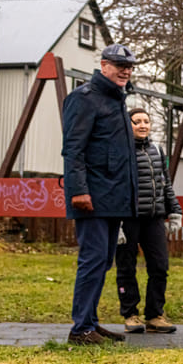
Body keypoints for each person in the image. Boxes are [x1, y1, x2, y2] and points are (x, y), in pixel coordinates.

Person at [61, 44, 139, 345]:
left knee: (104, 260)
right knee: (92, 260)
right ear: (104, 65)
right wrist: (78, 191)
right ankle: (80, 329)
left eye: (129, 66)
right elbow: (73, 149)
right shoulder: (84, 99)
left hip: (114, 197)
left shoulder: (117, 100)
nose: (125, 70)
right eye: (119, 64)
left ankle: (90, 322)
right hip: (92, 197)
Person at [115, 107, 182, 335]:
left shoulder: (157, 150)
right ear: (128, 124)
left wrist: (175, 211)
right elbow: (114, 186)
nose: (142, 125)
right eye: (137, 122)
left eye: (146, 121)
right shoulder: (120, 151)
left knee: (160, 266)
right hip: (128, 218)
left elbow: (166, 184)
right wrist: (115, 223)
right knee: (127, 267)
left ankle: (155, 315)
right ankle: (130, 315)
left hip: (154, 217)